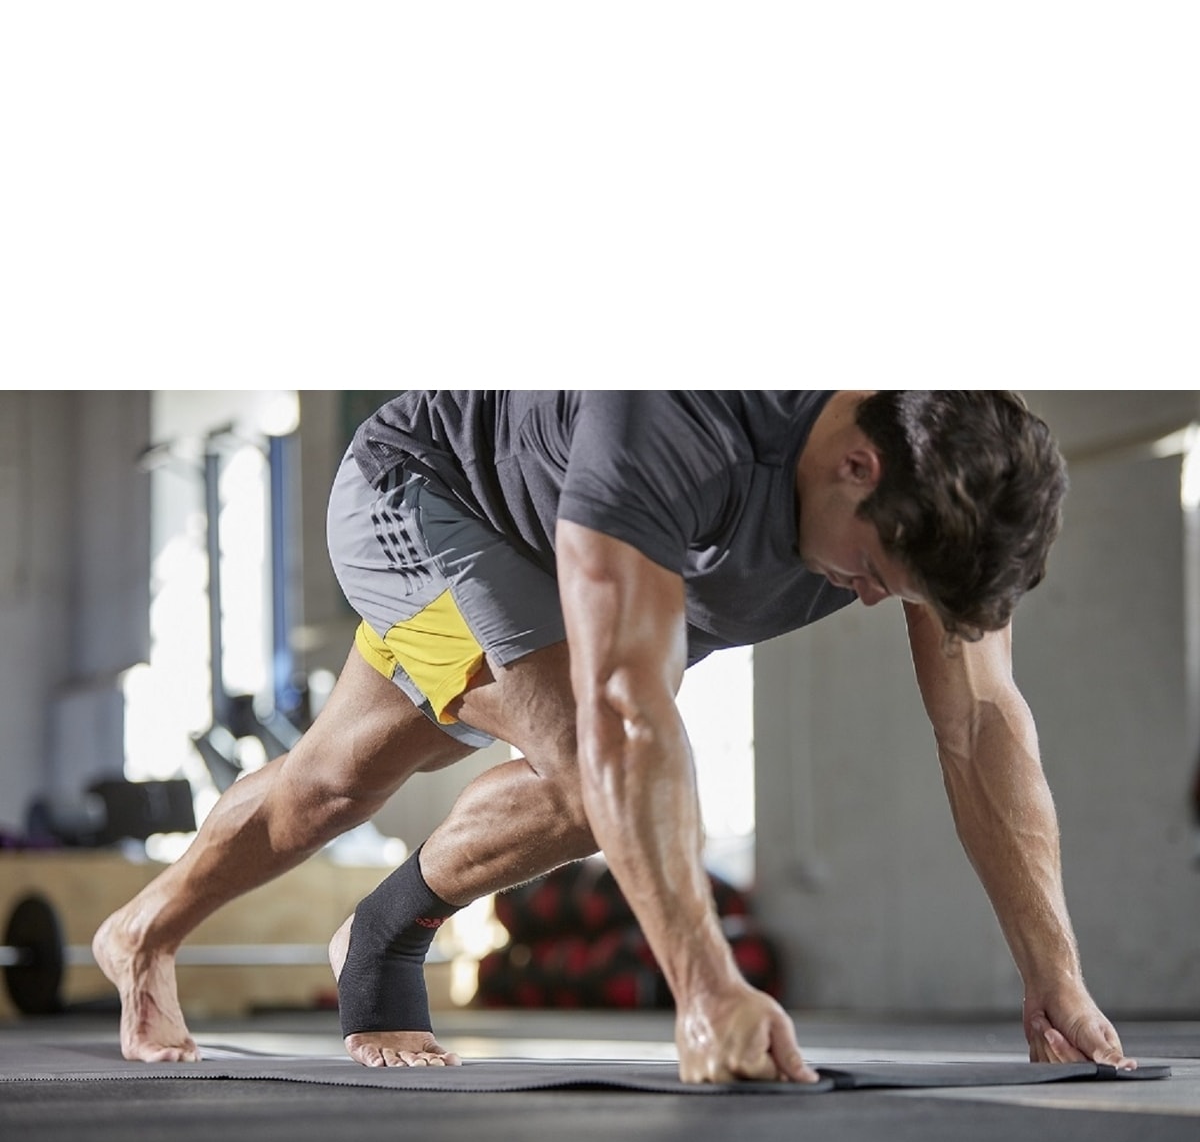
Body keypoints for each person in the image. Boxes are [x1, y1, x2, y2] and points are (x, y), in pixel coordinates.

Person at [94, 391, 1134, 1083]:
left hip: (583, 549)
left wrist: (1056, 977)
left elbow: (981, 723)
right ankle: (376, 934)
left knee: (333, 780)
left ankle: (142, 931)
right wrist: (707, 991)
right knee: (596, 775)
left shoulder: (953, 465)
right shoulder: (679, 411)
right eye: (873, 573)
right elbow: (626, 717)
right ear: (856, 466)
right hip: (435, 498)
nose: (868, 600)